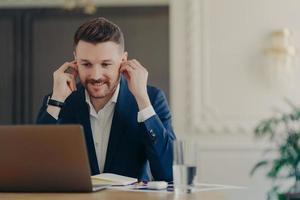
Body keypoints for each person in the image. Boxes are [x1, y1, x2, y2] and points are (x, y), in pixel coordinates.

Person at [36, 17, 175, 182]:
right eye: (86, 64)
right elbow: (34, 169)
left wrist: (142, 101)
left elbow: (169, 174)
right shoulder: (58, 102)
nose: (95, 76)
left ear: (123, 61)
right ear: (75, 60)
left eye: (106, 64)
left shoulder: (151, 99)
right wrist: (56, 101)